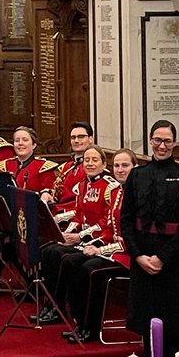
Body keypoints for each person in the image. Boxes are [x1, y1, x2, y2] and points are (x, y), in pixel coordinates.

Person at [120, 120, 179, 357]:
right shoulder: (137, 175)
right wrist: (138, 256)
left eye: (167, 141)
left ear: (174, 143)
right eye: (157, 140)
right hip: (142, 261)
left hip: (174, 264)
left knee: (175, 330)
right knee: (148, 328)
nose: (162, 146)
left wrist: (163, 258)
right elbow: (126, 221)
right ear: (150, 141)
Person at [59, 147, 136, 343]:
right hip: (113, 248)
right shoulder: (117, 192)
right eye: (117, 165)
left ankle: (90, 327)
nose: (120, 169)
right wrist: (93, 244)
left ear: (135, 167)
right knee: (69, 261)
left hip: (128, 255)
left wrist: (99, 250)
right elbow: (110, 228)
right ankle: (79, 321)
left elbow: (129, 239)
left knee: (89, 270)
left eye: (125, 165)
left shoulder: (137, 194)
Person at [38, 143, 116, 323]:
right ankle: (53, 306)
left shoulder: (110, 187)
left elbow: (105, 223)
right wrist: (64, 235)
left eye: (94, 160)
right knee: (49, 251)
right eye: (87, 160)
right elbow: (79, 217)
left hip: (101, 241)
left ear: (104, 164)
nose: (89, 163)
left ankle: (73, 315)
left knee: (65, 258)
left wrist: (79, 237)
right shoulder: (82, 186)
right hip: (84, 237)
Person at [0, 126, 59, 201]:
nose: (20, 143)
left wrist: (45, 193)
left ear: (34, 145)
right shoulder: (5, 165)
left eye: (25, 140)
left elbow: (49, 190)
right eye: (17, 140)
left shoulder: (43, 167)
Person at [54, 123, 95, 210]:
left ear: (90, 139)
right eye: (73, 137)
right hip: (58, 208)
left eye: (81, 137)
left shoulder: (94, 167)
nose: (76, 140)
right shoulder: (67, 166)